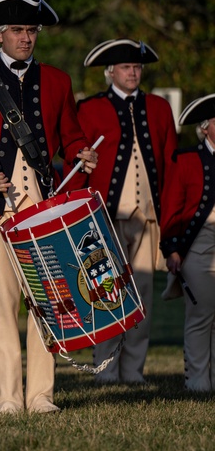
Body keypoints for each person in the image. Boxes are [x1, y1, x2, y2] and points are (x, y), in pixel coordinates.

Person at [0, 0, 97, 414]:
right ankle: (8, 397)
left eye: (31, 31)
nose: (25, 38)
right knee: (0, 307)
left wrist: (83, 152)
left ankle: (41, 395)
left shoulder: (59, 80)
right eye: (17, 31)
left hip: (44, 209)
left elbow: (71, 135)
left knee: (47, 304)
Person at [78, 39, 177, 384]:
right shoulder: (89, 109)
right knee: (106, 292)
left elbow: (170, 164)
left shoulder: (160, 108)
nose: (133, 72)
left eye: (136, 67)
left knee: (143, 295)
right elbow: (79, 168)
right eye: (125, 67)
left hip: (149, 217)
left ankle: (134, 371)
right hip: (106, 218)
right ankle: (106, 370)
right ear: (110, 73)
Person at [160, 93, 215, 391]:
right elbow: (171, 208)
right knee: (201, 316)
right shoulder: (185, 159)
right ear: (205, 127)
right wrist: (172, 249)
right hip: (198, 251)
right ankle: (196, 382)